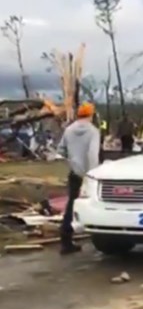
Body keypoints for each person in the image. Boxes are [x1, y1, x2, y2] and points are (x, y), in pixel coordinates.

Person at [57, 102, 101, 255]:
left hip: (75, 172)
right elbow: (93, 154)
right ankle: (100, 237)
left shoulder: (69, 130)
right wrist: (93, 173)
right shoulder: (93, 131)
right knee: (96, 204)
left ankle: (66, 240)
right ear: (91, 114)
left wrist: (72, 159)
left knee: (71, 205)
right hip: (89, 174)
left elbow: (60, 149)